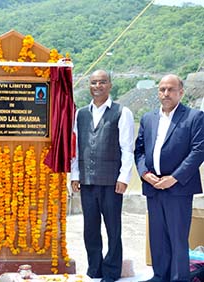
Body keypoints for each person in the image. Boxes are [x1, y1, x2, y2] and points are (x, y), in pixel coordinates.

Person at [134, 74, 204, 282]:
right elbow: (138, 151)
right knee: (157, 237)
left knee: (177, 237)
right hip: (153, 186)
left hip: (178, 188)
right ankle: (159, 276)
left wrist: (173, 178)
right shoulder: (148, 118)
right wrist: (145, 174)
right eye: (162, 89)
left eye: (171, 89)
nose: (166, 93)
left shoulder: (194, 117)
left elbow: (198, 151)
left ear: (180, 92)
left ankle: (178, 278)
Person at [70, 69, 134, 282]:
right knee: (90, 228)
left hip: (111, 182)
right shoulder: (81, 113)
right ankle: (94, 269)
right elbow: (76, 147)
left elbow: (127, 148)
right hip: (87, 181)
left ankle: (112, 271)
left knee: (113, 228)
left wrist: (124, 177)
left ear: (110, 85)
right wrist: (75, 175)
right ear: (89, 85)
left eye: (102, 82)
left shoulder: (122, 112)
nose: (97, 86)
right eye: (94, 82)